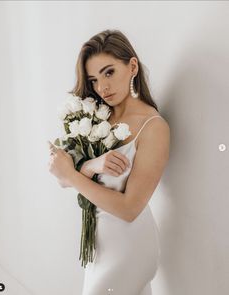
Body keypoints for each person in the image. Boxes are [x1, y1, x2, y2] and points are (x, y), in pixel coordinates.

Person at [48, 29, 170, 295]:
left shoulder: (153, 127)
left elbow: (130, 208)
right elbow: (61, 177)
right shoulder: (94, 118)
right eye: (93, 79)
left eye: (109, 72)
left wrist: (73, 176)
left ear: (132, 66)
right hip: (98, 249)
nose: (102, 87)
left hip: (129, 246)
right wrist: (91, 166)